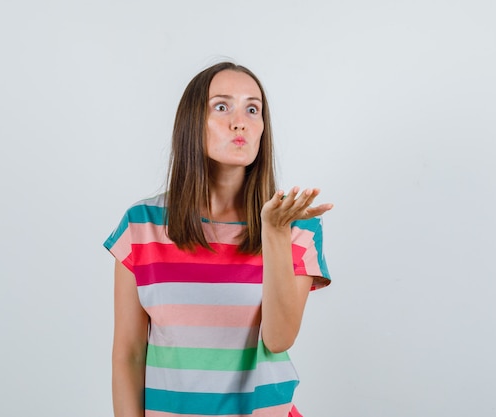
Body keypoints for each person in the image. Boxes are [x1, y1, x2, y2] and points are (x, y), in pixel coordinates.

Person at [104, 61, 333, 417]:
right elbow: (129, 354)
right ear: (192, 122)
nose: (239, 120)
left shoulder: (296, 227)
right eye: (222, 106)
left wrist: (273, 233)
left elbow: (279, 339)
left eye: (252, 108)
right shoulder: (141, 225)